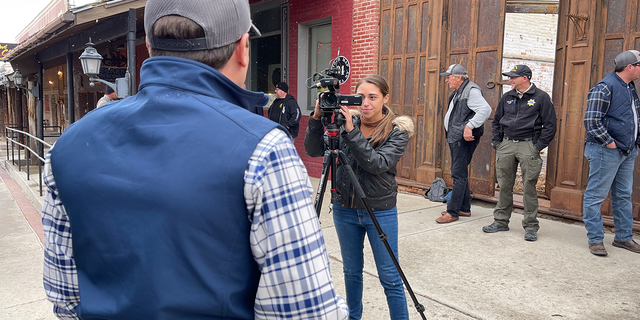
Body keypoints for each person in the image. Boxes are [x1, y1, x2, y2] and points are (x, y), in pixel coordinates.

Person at [41, 0, 348, 319]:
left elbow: (64, 297)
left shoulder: (67, 147)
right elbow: (303, 313)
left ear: (149, 46)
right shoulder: (264, 149)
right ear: (243, 49)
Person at [305, 74, 414, 320]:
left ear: (385, 98)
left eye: (372, 97)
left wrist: (351, 132)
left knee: (390, 276)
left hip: (379, 209)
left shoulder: (397, 130)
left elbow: (377, 163)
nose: (366, 103)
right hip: (345, 209)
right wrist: (316, 119)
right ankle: (353, 317)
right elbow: (313, 150)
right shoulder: (345, 122)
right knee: (352, 272)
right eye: (361, 97)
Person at [483, 64, 556, 241]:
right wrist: (497, 142)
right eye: (510, 77)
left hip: (528, 145)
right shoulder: (507, 97)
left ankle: (531, 226)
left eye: (513, 77)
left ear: (525, 78)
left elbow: (550, 125)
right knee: (504, 185)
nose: (510, 80)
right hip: (506, 144)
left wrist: (537, 146)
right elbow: (497, 120)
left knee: (529, 186)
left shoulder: (541, 98)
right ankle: (501, 221)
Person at [582, 50, 640, 256]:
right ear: (629, 67)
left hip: (628, 150)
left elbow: (634, 117)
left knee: (623, 195)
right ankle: (595, 239)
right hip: (605, 150)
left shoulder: (629, 87)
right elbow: (591, 121)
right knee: (595, 195)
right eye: (639, 65)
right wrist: (609, 143)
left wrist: (635, 142)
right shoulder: (605, 87)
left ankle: (623, 237)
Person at [436, 64, 491, 223]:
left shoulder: (471, 91)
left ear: (458, 77)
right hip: (456, 137)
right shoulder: (458, 92)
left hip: (463, 139)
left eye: (449, 77)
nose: (446, 80)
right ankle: (464, 208)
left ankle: (452, 212)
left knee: (457, 174)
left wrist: (469, 126)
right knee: (460, 172)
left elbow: (485, 110)